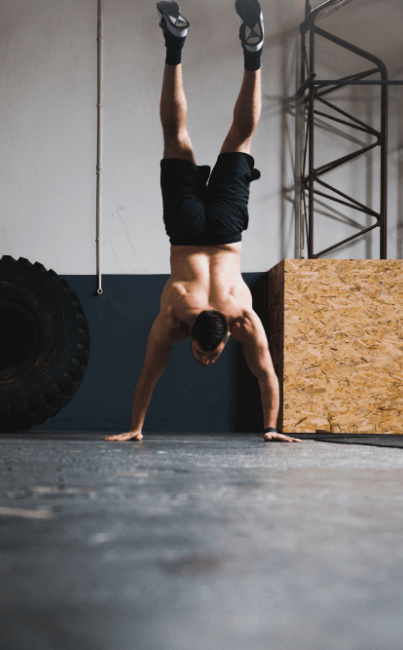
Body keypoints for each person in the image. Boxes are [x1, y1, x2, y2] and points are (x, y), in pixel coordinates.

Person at [106, 1, 300, 443]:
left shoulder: (225, 319)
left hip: (220, 232)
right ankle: (175, 46)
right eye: (206, 354)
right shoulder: (179, 317)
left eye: (202, 355)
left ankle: (250, 55)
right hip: (190, 232)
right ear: (207, 334)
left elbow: (150, 379)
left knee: (237, 138)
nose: (206, 359)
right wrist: (268, 428)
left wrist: (136, 429)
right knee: (177, 139)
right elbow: (265, 375)